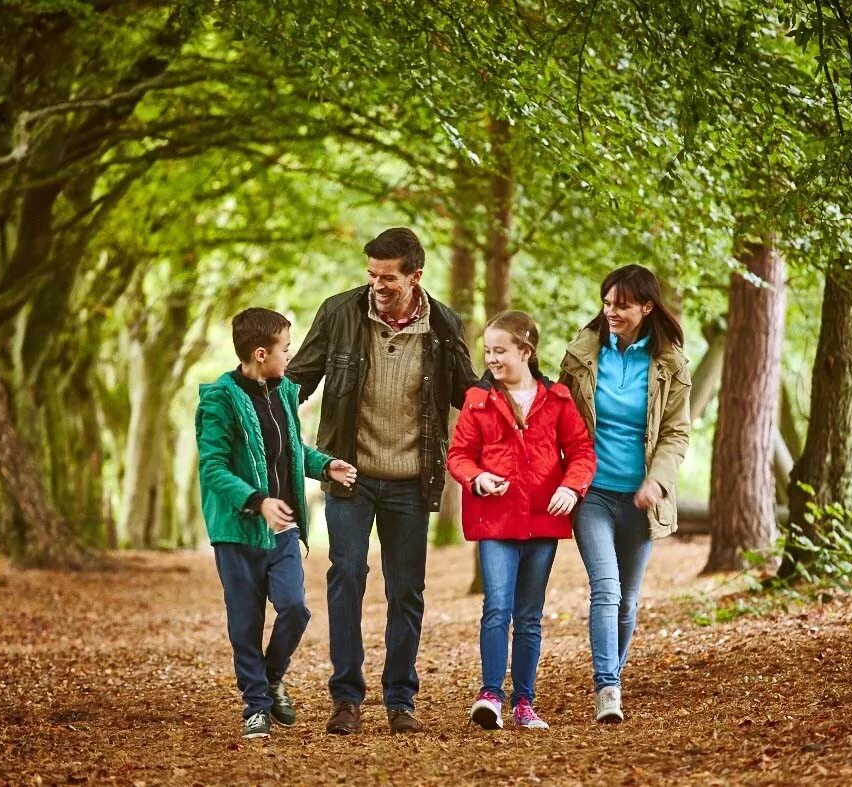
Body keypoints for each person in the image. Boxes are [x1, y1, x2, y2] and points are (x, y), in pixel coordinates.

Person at [286, 227, 478, 735]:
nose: (377, 284)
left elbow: (469, 394)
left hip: (412, 482)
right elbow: (298, 380)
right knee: (345, 576)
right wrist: (250, 407)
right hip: (350, 473)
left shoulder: (443, 325)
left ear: (415, 276)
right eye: (371, 274)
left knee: (406, 591)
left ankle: (400, 699)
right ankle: (346, 697)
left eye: (388, 277)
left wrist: (526, 400)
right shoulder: (340, 312)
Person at [196, 307, 359, 740]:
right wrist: (257, 502)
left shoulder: (284, 392)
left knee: (294, 607)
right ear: (261, 352)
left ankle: (271, 678)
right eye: (286, 348)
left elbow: (293, 451)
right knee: (245, 622)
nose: (291, 355)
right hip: (238, 532)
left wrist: (327, 467)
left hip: (283, 527)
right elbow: (212, 468)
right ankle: (256, 706)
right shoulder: (219, 400)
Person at [446, 311, 596, 731]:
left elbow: (582, 452)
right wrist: (477, 479)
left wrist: (571, 487)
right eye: (488, 351)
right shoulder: (477, 401)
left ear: (526, 351)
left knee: (529, 616)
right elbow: (458, 456)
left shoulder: (559, 399)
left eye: (500, 351)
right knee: (497, 608)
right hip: (495, 524)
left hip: (542, 524)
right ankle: (490, 694)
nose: (492, 359)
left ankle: (525, 702)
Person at [558, 264, 692, 724]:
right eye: (607, 302)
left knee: (629, 601)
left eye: (622, 304)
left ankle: (613, 673)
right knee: (607, 590)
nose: (611, 311)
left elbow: (676, 433)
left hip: (641, 499)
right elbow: (558, 416)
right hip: (592, 492)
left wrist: (657, 479)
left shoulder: (670, 363)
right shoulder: (581, 354)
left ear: (646, 307)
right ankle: (607, 687)